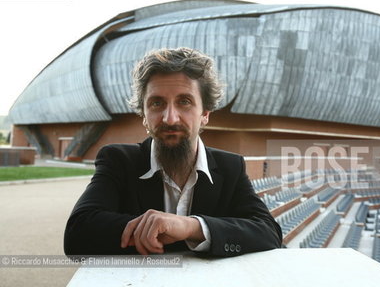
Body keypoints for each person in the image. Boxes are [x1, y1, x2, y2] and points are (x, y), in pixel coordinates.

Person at [64, 47, 282, 256]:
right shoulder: (119, 160)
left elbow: (268, 232)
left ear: (205, 113)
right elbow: (77, 234)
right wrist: (156, 231)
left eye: (184, 102)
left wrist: (192, 227)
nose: (170, 118)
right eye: (156, 103)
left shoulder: (231, 166)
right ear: (144, 115)